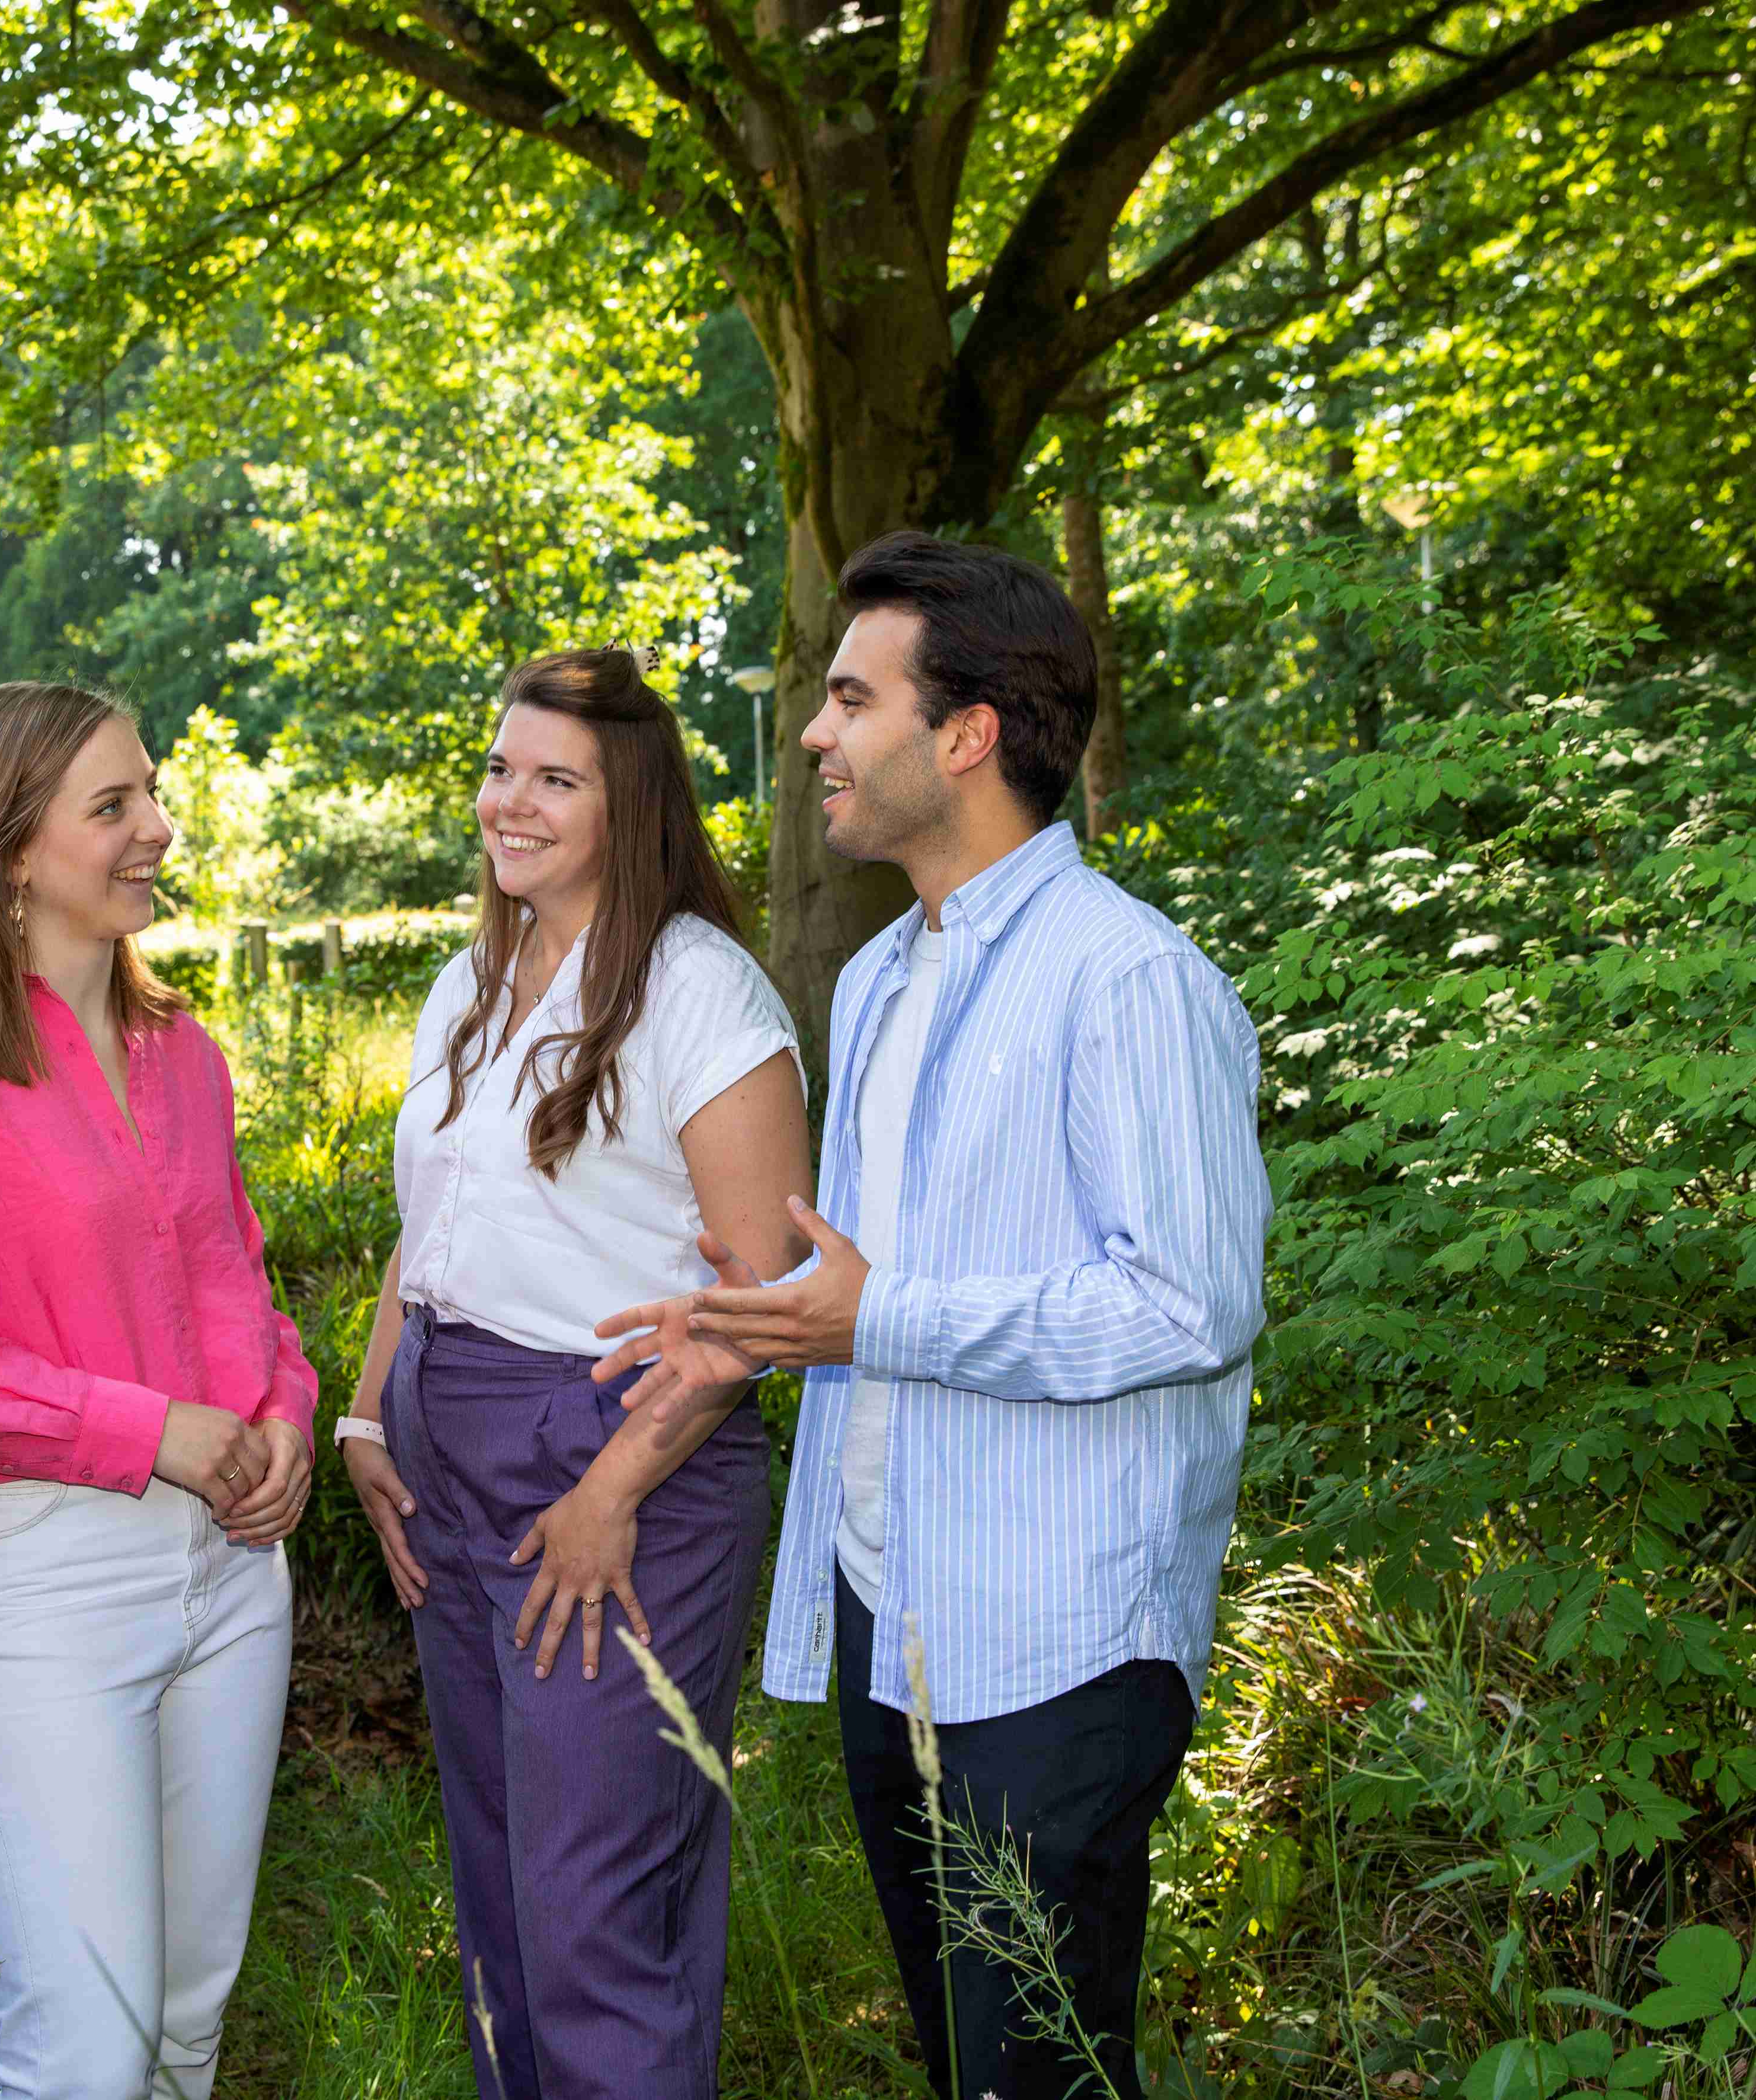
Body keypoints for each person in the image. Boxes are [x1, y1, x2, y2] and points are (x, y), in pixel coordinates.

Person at [594, 534, 1272, 2100]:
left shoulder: (1127, 983)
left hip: (1058, 1639)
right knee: (964, 2062)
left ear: (964, 733)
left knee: (1035, 2069)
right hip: (888, 1621)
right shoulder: (881, 977)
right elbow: (869, 1284)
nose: (815, 736)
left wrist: (873, 1317)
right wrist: (753, 1323)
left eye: (850, 700)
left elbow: (1188, 1304)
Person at [0, 680, 315, 2100]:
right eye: (114, 804)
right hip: (38, 1584)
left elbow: (239, 1279)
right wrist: (143, 1429)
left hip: (231, 1572)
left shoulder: (184, 1054)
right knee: (85, 2048)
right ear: (12, 846)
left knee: (182, 2029)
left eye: (148, 791)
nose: (158, 825)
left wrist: (285, 1412)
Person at [335, 647, 815, 2100]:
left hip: (621, 1463)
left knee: (597, 1902)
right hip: (448, 1448)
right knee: (496, 1889)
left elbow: (765, 1295)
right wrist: (368, 1410)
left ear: (633, 807)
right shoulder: (469, 979)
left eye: (557, 778)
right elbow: (431, 1228)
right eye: (500, 768)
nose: (512, 802)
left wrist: (611, 1487)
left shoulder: (700, 991)